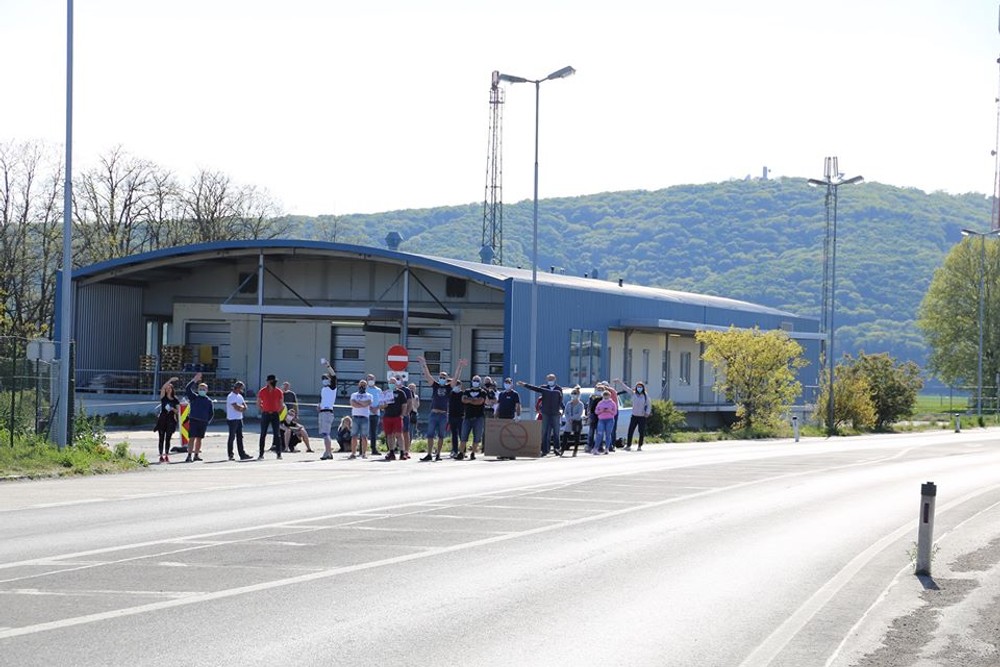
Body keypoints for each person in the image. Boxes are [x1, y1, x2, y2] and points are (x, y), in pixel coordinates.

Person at [416, 356, 467, 462]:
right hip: (434, 414)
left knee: (441, 435)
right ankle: (429, 454)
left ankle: (438, 454)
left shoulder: (448, 387)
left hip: (443, 414)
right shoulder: (435, 385)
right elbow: (427, 375)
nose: (442, 379)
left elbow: (456, 378)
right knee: (430, 434)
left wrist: (460, 366)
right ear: (438, 378)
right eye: (441, 377)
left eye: (444, 377)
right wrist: (423, 364)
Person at [518, 374, 563, 456]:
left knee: (556, 432)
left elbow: (560, 400)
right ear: (546, 379)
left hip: (555, 413)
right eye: (549, 379)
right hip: (545, 413)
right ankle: (544, 450)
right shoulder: (544, 388)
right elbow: (534, 388)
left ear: (555, 379)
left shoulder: (558, 389)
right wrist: (525, 385)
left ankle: (557, 449)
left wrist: (561, 409)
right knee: (544, 432)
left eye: (552, 379)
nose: (550, 380)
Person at [184, 372, 214, 462]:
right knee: (191, 438)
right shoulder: (194, 397)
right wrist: (194, 380)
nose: (202, 390)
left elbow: (211, 413)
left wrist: (207, 421)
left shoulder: (209, 401)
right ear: (198, 389)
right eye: (200, 389)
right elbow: (187, 388)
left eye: (204, 389)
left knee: (199, 439)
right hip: (193, 421)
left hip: (203, 422)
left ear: (207, 390)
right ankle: (189, 455)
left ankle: (196, 455)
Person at [616, 379, 652, 451]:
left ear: (643, 388)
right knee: (630, 430)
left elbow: (649, 405)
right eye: (638, 387)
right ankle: (628, 445)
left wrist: (647, 413)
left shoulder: (645, 396)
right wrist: (620, 382)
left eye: (640, 387)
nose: (639, 388)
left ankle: (639, 446)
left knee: (641, 431)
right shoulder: (633, 393)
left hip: (642, 417)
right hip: (634, 416)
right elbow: (626, 388)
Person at [458, 375, 487, 460]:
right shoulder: (467, 391)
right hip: (467, 417)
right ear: (472, 381)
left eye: (477, 381)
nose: (475, 382)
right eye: (474, 380)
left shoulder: (483, 392)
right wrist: (474, 399)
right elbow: (463, 400)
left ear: (480, 382)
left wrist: (469, 400)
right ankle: (461, 452)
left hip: (479, 417)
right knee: (463, 436)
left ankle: (473, 453)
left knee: (477, 437)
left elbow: (480, 402)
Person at [382, 377, 410, 460]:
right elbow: (381, 406)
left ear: (396, 384)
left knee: (399, 434)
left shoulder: (401, 393)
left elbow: (404, 405)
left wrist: (402, 415)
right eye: (390, 383)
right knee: (389, 435)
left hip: (397, 417)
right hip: (387, 416)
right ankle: (391, 452)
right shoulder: (385, 393)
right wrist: (384, 405)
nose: (391, 384)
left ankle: (402, 452)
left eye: (393, 383)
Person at [153, 376, 180, 463]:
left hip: (171, 420)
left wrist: (173, 409)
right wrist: (170, 380)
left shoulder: (175, 400)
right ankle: (161, 455)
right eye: (167, 388)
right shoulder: (163, 398)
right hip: (163, 419)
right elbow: (163, 388)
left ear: (172, 389)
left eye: (170, 388)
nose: (168, 389)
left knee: (168, 438)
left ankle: (167, 455)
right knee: (161, 438)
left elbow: (178, 411)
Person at [257, 374, 284, 460]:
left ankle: (279, 454)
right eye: (272, 381)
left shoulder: (279, 391)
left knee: (277, 434)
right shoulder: (262, 391)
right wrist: (263, 409)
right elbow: (258, 402)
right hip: (266, 414)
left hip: (275, 414)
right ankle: (261, 454)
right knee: (263, 434)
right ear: (268, 382)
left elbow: (281, 404)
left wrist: (277, 410)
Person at [225, 381, 252, 461]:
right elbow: (236, 407)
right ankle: (230, 454)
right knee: (232, 437)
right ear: (237, 388)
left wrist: (242, 408)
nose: (241, 390)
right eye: (240, 389)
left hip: (239, 418)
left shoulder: (240, 396)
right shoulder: (231, 396)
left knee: (240, 437)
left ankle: (242, 454)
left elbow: (244, 406)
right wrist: (241, 408)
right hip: (232, 419)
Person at [349, 379, 373, 459]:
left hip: (365, 417)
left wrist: (358, 402)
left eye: (364, 385)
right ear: (358, 385)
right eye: (361, 384)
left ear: (366, 386)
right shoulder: (354, 394)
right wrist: (362, 403)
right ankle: (353, 453)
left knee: (364, 436)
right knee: (354, 436)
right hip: (355, 417)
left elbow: (368, 403)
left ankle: (364, 453)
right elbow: (353, 404)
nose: (362, 386)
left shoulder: (369, 395)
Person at [318, 369, 338, 460]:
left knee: (326, 433)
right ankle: (329, 452)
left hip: (327, 412)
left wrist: (328, 366)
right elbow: (324, 400)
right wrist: (319, 405)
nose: (324, 379)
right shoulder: (323, 389)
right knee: (324, 433)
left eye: (326, 378)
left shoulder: (332, 387)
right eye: (323, 378)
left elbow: (334, 376)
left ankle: (327, 452)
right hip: (322, 412)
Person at [592, 389, 618, 454]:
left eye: (607, 396)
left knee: (608, 434)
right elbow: (596, 411)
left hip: (610, 420)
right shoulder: (600, 403)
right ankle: (595, 448)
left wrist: (609, 410)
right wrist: (601, 411)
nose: (606, 397)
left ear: (609, 396)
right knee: (599, 434)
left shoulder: (612, 403)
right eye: (604, 396)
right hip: (601, 420)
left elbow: (615, 413)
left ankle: (607, 448)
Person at [365, 373, 383, 456]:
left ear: (374, 380)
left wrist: (377, 408)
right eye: (369, 379)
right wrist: (369, 407)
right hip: (366, 413)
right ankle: (362, 449)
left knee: (374, 432)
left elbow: (382, 401)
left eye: (372, 379)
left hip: (376, 413)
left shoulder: (378, 390)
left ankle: (374, 449)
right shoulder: (365, 389)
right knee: (364, 432)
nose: (370, 381)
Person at [564, 386, 585, 456]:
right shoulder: (568, 403)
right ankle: (562, 449)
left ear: (578, 395)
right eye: (573, 394)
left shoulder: (580, 404)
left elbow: (580, 413)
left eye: (575, 394)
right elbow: (566, 412)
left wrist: (572, 418)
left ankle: (575, 450)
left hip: (577, 422)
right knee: (566, 435)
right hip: (569, 422)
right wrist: (568, 419)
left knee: (576, 436)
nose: (574, 395)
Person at [448, 377, 465, 458]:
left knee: (462, 434)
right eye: (456, 384)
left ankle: (462, 451)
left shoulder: (463, 394)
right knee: (454, 434)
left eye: (458, 385)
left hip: (461, 416)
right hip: (451, 416)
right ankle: (454, 450)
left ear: (460, 386)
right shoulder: (451, 393)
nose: (457, 386)